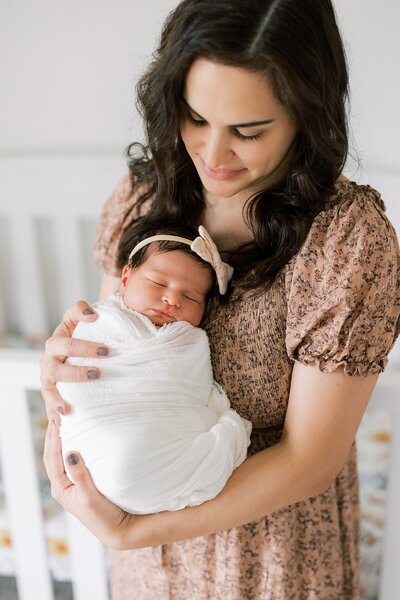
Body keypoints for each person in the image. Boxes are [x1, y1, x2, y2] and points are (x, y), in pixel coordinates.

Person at [41, 0, 400, 598]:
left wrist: (138, 531)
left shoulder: (346, 239)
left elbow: (309, 461)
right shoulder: (144, 197)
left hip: (270, 558)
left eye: (249, 131)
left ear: (306, 116)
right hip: (147, 562)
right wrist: (66, 374)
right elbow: (110, 357)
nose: (212, 155)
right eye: (195, 117)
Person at [57, 222, 251, 515]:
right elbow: (74, 382)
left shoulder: (190, 341)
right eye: (159, 283)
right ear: (125, 277)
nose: (172, 299)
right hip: (100, 448)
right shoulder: (99, 324)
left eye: (190, 297)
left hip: (170, 454)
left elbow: (194, 389)